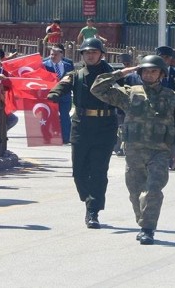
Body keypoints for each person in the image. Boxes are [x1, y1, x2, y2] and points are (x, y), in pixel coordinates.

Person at [90, 55, 175, 245]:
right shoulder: (129, 93)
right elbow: (97, 88)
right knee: (136, 193)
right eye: (145, 71)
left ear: (161, 74)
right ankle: (143, 220)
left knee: (153, 189)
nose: (149, 74)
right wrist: (121, 72)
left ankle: (148, 229)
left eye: (154, 71)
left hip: (160, 152)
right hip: (134, 152)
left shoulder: (172, 98)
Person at [47, 37, 118, 229]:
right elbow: (62, 85)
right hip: (82, 125)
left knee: (98, 170)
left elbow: (124, 92)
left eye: (94, 52)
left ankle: (93, 210)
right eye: (87, 52)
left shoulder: (112, 74)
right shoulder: (76, 74)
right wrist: (54, 94)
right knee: (78, 171)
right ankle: (88, 198)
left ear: (102, 55)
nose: (90, 55)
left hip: (105, 126)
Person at [43, 45, 74, 144]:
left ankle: (65, 138)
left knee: (65, 116)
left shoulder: (68, 65)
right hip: (50, 95)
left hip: (65, 95)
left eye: (55, 54)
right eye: (51, 54)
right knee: (50, 116)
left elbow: (72, 79)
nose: (53, 56)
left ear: (61, 55)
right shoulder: (44, 65)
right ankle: (48, 137)